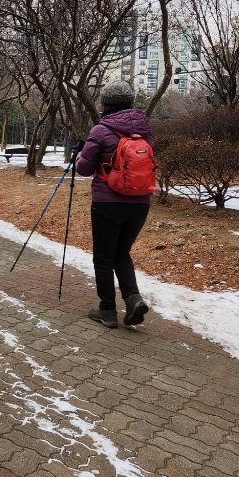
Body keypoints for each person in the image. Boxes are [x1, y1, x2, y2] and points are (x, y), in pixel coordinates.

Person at [74, 80, 153, 329]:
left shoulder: (100, 130)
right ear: (130, 102)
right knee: (122, 253)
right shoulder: (145, 130)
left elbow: (84, 168)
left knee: (104, 257)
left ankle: (107, 310)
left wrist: (79, 154)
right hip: (140, 203)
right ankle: (133, 299)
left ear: (105, 103)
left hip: (107, 202)